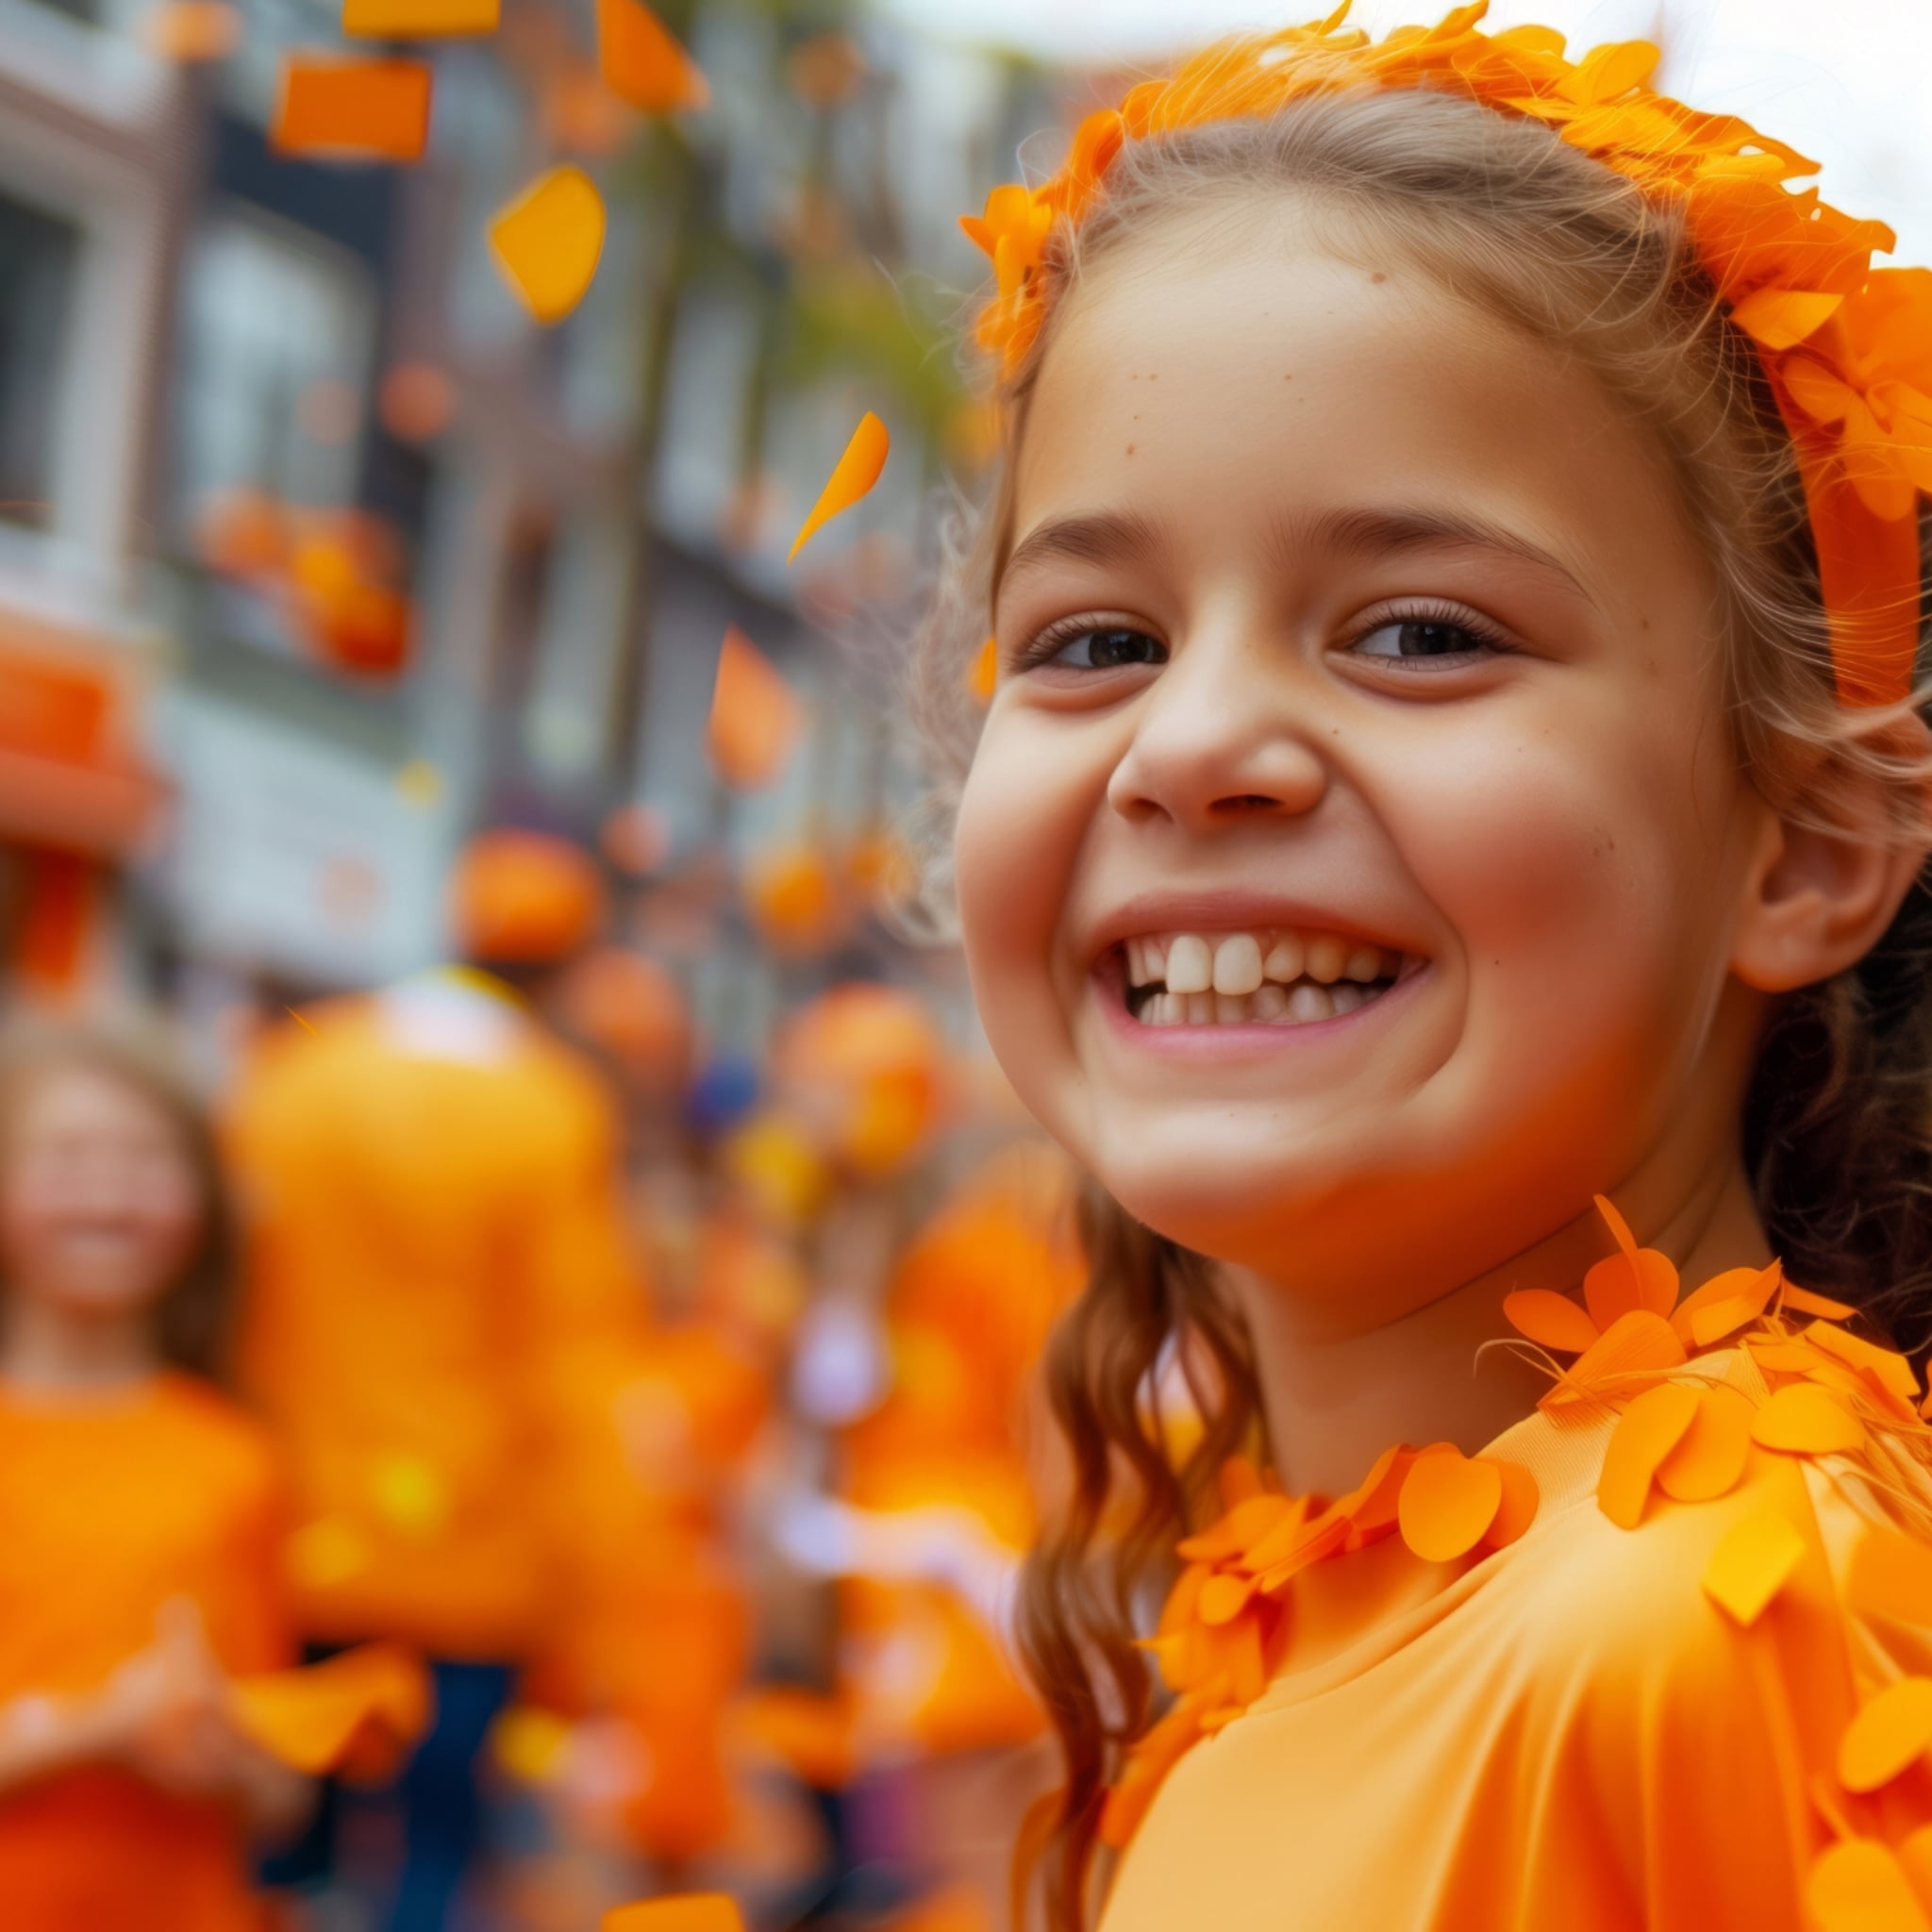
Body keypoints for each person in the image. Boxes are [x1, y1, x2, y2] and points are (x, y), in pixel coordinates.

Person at [899, 7, 1932, 1927]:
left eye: (1422, 630)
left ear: (1802, 845)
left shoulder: (1714, 1611)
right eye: (1095, 641)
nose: (1193, 744)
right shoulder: (1325, 1601)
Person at [228, 829, 658, 1927]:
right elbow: (577, 1358)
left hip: (299, 1522)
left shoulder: (298, 1073)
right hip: (476, 1547)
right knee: (433, 1842)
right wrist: (602, 1585)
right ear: (569, 965)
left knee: (283, 1834)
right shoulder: (553, 1108)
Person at [0, 1024, 310, 1928]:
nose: (106, 1195)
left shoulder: (237, 1457)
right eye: (65, 1158)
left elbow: (279, 1794)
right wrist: (99, 1728)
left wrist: (232, 1762)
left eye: (145, 1162)